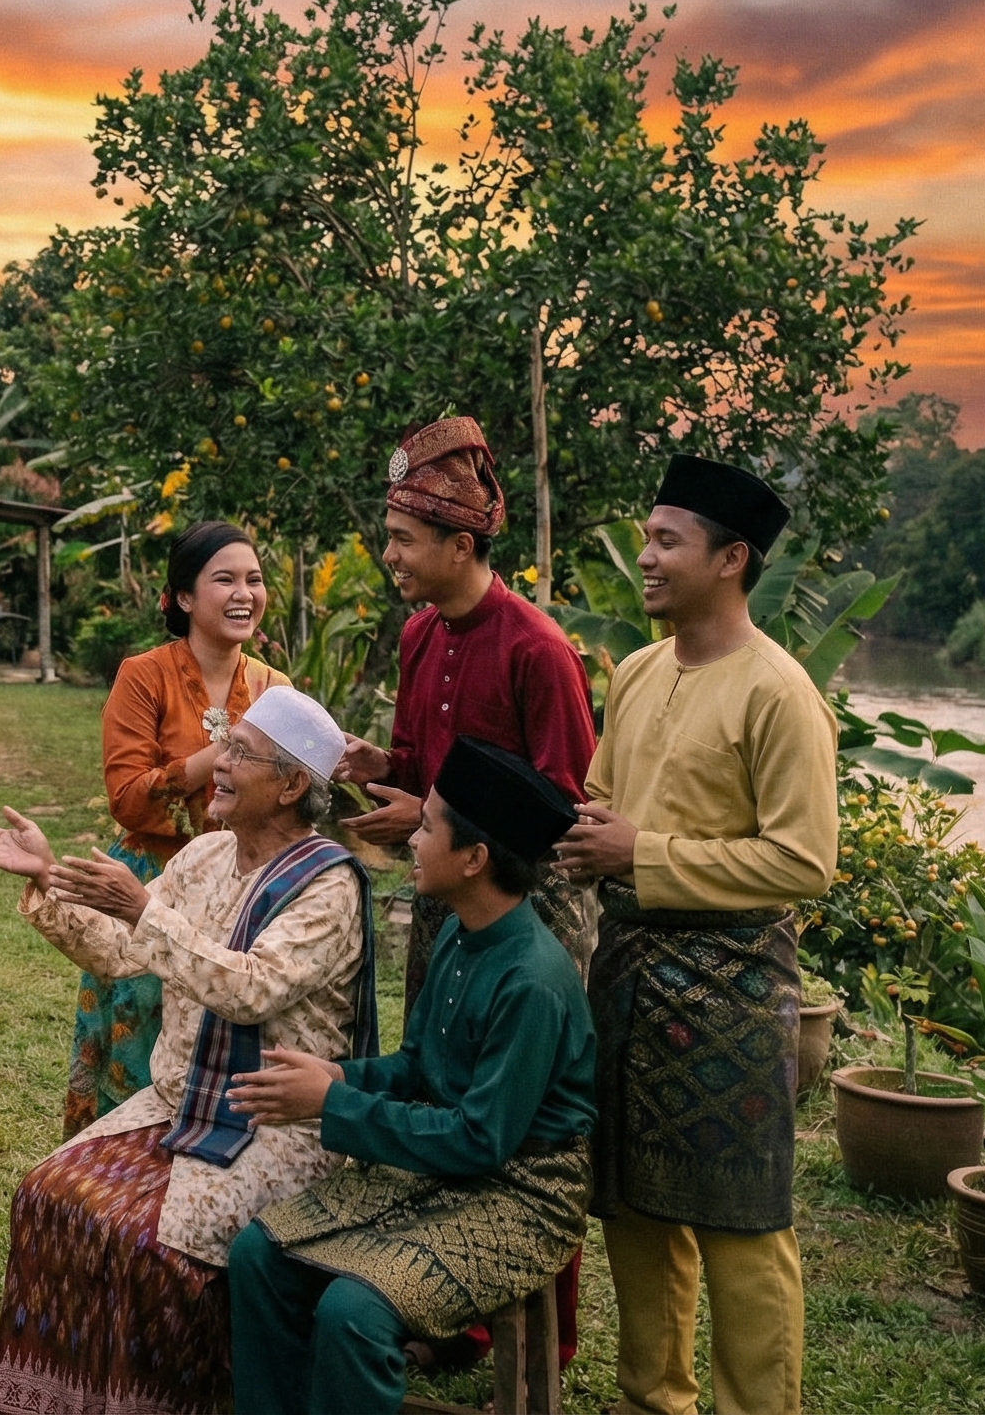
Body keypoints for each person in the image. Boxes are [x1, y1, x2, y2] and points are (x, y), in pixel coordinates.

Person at [0, 686, 374, 1415]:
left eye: (241, 753)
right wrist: (45, 880)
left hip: (276, 1124)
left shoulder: (328, 886)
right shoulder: (209, 854)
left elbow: (251, 990)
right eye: (226, 744)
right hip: (175, 1100)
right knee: (46, 1195)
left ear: (291, 786)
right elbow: (125, 952)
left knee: (147, 1243)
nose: (218, 762)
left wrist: (147, 909)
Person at [552, 456, 838, 1415]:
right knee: (633, 1208)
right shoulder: (635, 672)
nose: (645, 556)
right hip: (626, 967)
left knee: (742, 1227)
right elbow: (603, 803)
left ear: (732, 559)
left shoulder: (780, 691)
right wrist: (580, 836)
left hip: (735, 984)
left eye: (667, 540)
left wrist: (646, 853)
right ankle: (650, 1400)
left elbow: (804, 862)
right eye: (647, 536)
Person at [332, 415, 598, 1365]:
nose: (391, 555)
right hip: (444, 888)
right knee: (442, 1074)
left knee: (523, 1112)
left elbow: (562, 807)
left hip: (536, 908)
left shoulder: (537, 649)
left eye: (404, 540)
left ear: (460, 542)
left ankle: (539, 1335)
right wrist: (375, 769)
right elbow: (415, 764)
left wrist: (432, 821)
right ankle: (448, 1305)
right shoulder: (417, 637)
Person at [225, 737, 598, 1415]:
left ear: (475, 859)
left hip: (522, 1193)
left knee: (353, 1309)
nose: (414, 840)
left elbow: (483, 1141)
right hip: (443, 1169)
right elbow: (418, 1067)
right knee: (259, 1255)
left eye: (428, 827)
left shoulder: (533, 982)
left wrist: (333, 1105)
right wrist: (336, 1073)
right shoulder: (460, 931)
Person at [73, 520, 287, 1135]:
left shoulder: (276, 688)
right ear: (184, 597)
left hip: (244, 886)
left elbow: (286, 799)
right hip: (150, 885)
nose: (244, 592)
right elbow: (130, 800)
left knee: (226, 1043)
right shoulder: (144, 676)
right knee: (143, 1049)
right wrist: (221, 757)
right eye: (224, 579)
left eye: (254, 578)